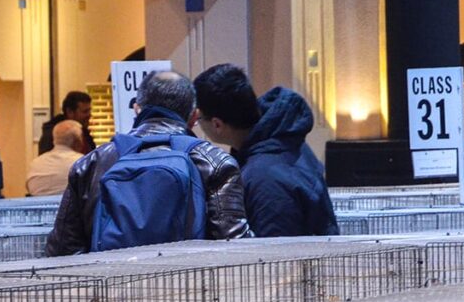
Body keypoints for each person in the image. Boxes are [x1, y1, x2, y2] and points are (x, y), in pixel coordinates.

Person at [45, 71, 250, 256]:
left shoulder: (91, 164)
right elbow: (234, 248)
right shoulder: (216, 163)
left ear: (136, 109)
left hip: (112, 292)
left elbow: (63, 250)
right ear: (194, 116)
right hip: (190, 292)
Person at [193, 63, 339, 237]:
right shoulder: (282, 142)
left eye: (199, 118)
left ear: (217, 124)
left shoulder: (264, 178)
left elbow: (274, 256)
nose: (197, 124)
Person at [26, 120, 83, 196]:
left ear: (54, 140)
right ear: (77, 141)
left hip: (37, 207)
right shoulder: (83, 163)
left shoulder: (35, 163)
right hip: (72, 207)